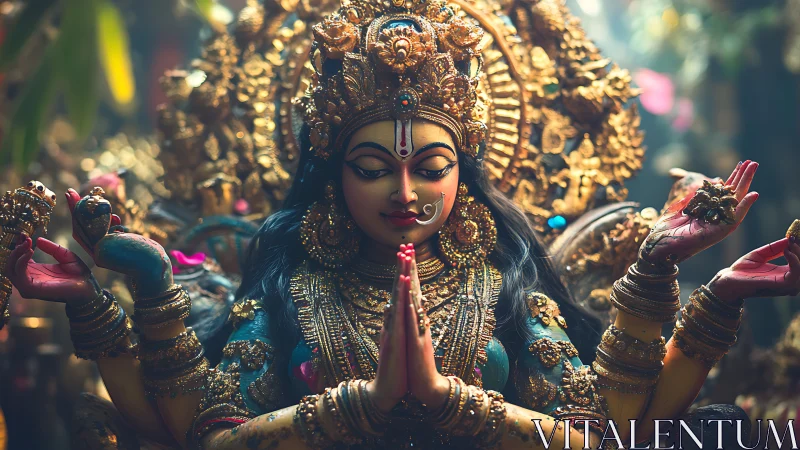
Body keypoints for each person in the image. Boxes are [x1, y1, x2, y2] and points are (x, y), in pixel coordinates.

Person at [4, 0, 800, 449]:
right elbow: (207, 440)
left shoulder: (500, 287)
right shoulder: (298, 290)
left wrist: (686, 278)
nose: (406, 192)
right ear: (331, 172)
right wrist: (125, 289)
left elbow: (610, 434)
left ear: (464, 172)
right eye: (373, 167)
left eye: (431, 167)